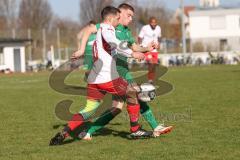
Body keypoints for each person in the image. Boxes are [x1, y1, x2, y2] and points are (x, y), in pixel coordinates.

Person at [49, 6, 151, 146]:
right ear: (110, 19)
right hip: (107, 77)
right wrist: (133, 54)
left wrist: (81, 49)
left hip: (94, 79)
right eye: (117, 18)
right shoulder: (108, 29)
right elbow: (114, 43)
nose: (118, 20)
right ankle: (135, 129)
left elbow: (91, 34)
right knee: (132, 92)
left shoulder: (99, 30)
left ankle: (65, 132)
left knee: (89, 110)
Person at [73, 3, 173, 140]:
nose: (131, 19)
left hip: (122, 69)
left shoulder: (126, 31)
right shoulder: (109, 27)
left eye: (132, 16)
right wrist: (82, 49)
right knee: (137, 95)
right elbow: (89, 29)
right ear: (120, 14)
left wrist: (147, 48)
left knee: (116, 108)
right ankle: (153, 127)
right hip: (116, 71)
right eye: (129, 15)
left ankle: (88, 132)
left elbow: (134, 47)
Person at [138, 16, 162, 83]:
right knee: (151, 63)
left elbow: (159, 37)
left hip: (154, 50)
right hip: (147, 48)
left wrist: (159, 43)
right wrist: (140, 46)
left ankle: (151, 79)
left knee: (153, 65)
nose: (154, 24)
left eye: (155, 22)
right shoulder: (145, 28)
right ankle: (150, 79)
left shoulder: (158, 28)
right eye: (152, 22)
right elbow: (140, 37)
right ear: (149, 23)